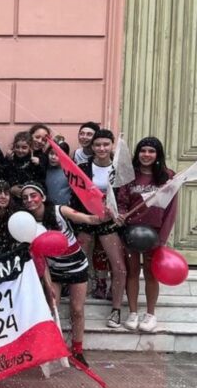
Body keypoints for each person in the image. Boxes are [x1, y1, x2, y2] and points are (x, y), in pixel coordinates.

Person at [20, 182, 109, 367]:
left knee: (77, 310)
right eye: (25, 197)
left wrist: (104, 216)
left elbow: (88, 219)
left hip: (77, 266)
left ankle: (77, 351)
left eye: (33, 195)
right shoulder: (27, 224)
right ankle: (50, 350)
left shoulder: (60, 210)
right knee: (51, 309)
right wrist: (48, 284)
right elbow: (40, 259)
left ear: (43, 197)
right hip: (54, 270)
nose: (30, 200)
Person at [117, 137, 177, 332]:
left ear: (157, 154)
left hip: (154, 235)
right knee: (132, 273)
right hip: (131, 233)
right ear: (137, 153)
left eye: (151, 151)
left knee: (151, 274)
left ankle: (150, 315)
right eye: (143, 151)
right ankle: (133, 313)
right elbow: (122, 202)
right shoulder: (129, 175)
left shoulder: (168, 177)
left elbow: (171, 209)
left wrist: (162, 238)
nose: (146, 155)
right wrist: (120, 216)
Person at [73, 129, 128, 327]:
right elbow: (76, 196)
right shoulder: (82, 167)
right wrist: (84, 217)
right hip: (87, 220)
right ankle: (76, 306)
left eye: (106, 144)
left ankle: (116, 310)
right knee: (77, 263)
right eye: (97, 145)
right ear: (92, 147)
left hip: (109, 222)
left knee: (119, 266)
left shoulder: (118, 168)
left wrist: (120, 212)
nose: (102, 148)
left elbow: (125, 195)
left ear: (112, 145)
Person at [44, 140, 73, 205]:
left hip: (66, 209)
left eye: (58, 155)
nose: (53, 157)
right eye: (51, 153)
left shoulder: (70, 172)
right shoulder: (45, 169)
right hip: (50, 208)